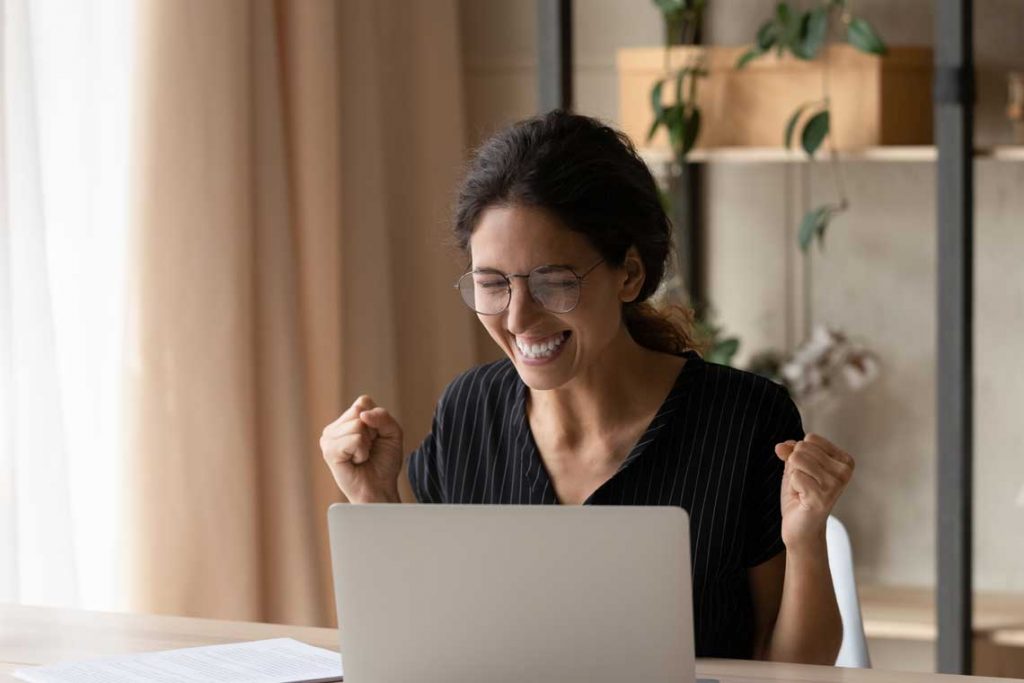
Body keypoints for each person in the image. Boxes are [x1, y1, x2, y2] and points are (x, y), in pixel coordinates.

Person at [320, 110, 854, 664]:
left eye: (554, 283)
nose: (519, 318)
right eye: (492, 284)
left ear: (629, 274)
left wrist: (806, 536)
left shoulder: (745, 419)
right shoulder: (470, 410)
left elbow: (794, 670)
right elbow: (429, 646)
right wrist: (371, 499)